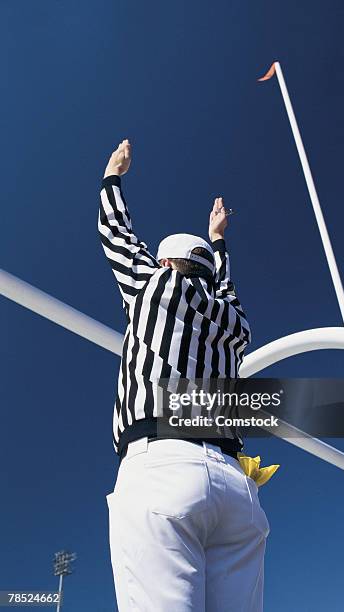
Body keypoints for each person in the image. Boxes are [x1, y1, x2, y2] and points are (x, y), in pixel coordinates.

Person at [98, 139, 270, 611]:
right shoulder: (234, 322)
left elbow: (115, 233)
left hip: (162, 466)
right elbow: (227, 287)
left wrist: (113, 175)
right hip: (236, 489)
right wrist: (219, 240)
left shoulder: (153, 285)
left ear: (164, 263)